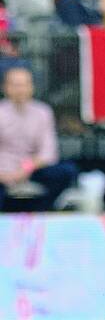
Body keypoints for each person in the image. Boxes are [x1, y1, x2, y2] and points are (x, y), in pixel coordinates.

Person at [0, 65, 76, 211]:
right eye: (15, 85)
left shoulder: (43, 112)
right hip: (3, 171)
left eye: (24, 84)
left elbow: (48, 152)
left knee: (67, 171)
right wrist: (6, 175)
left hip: (31, 169)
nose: (20, 89)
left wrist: (25, 169)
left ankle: (40, 210)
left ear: (31, 87)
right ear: (5, 87)